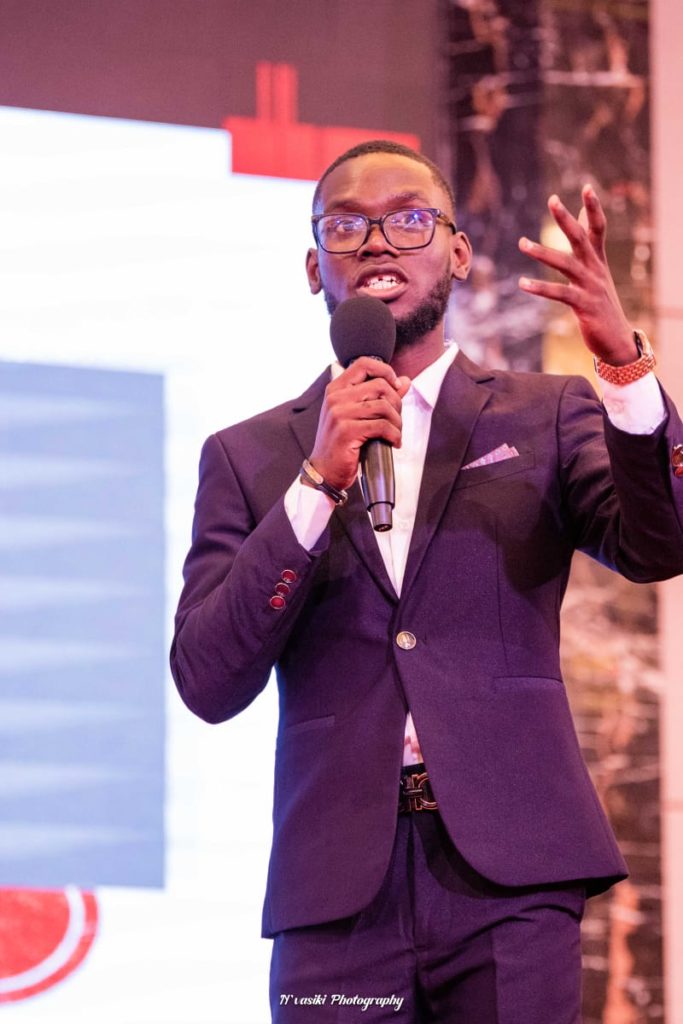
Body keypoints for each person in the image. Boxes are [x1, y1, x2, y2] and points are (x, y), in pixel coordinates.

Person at [170, 140, 683, 1023]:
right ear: (313, 267)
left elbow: (659, 543)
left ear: (457, 252)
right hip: (336, 889)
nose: (376, 241)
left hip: (511, 877)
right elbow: (207, 679)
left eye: (408, 220)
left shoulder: (545, 414)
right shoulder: (249, 456)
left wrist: (625, 371)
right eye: (345, 226)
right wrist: (316, 482)